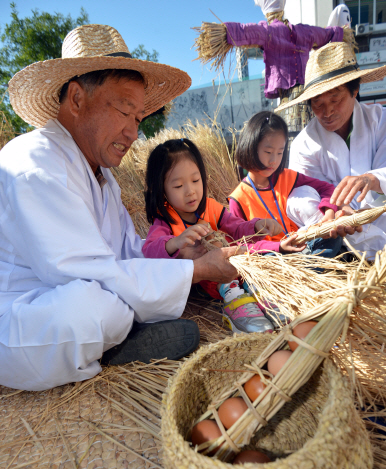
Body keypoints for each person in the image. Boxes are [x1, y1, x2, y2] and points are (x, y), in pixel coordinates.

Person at [0, 24, 240, 391]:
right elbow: (92, 275)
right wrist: (193, 272)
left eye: (138, 118)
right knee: (87, 311)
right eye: (124, 111)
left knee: (107, 301)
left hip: (90, 288)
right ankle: (117, 345)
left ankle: (122, 334)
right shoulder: (35, 163)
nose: (133, 132)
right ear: (77, 99)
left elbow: (127, 253)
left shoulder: (102, 176)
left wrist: (178, 256)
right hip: (26, 314)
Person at [142, 138, 303, 333]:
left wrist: (257, 226)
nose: (190, 191)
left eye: (195, 180)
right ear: (163, 191)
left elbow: (236, 227)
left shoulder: (211, 208)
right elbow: (149, 251)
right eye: (178, 186)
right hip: (212, 280)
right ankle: (234, 300)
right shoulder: (165, 221)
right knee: (217, 259)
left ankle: (262, 295)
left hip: (236, 266)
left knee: (255, 262)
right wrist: (174, 243)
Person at [277, 41, 386, 259]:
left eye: (335, 99)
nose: (327, 112)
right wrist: (330, 214)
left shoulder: (380, 120)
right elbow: (301, 192)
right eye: (318, 104)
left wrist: (372, 179)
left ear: (354, 90)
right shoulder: (304, 143)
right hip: (341, 245)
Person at [228, 111, 345, 258]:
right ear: (250, 147)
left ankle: (307, 268)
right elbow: (240, 245)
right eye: (268, 152)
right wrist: (278, 247)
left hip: (301, 244)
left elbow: (327, 188)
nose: (274, 160)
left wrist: (329, 211)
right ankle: (310, 269)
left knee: (332, 237)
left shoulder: (288, 177)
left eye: (280, 153)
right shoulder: (238, 199)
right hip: (271, 256)